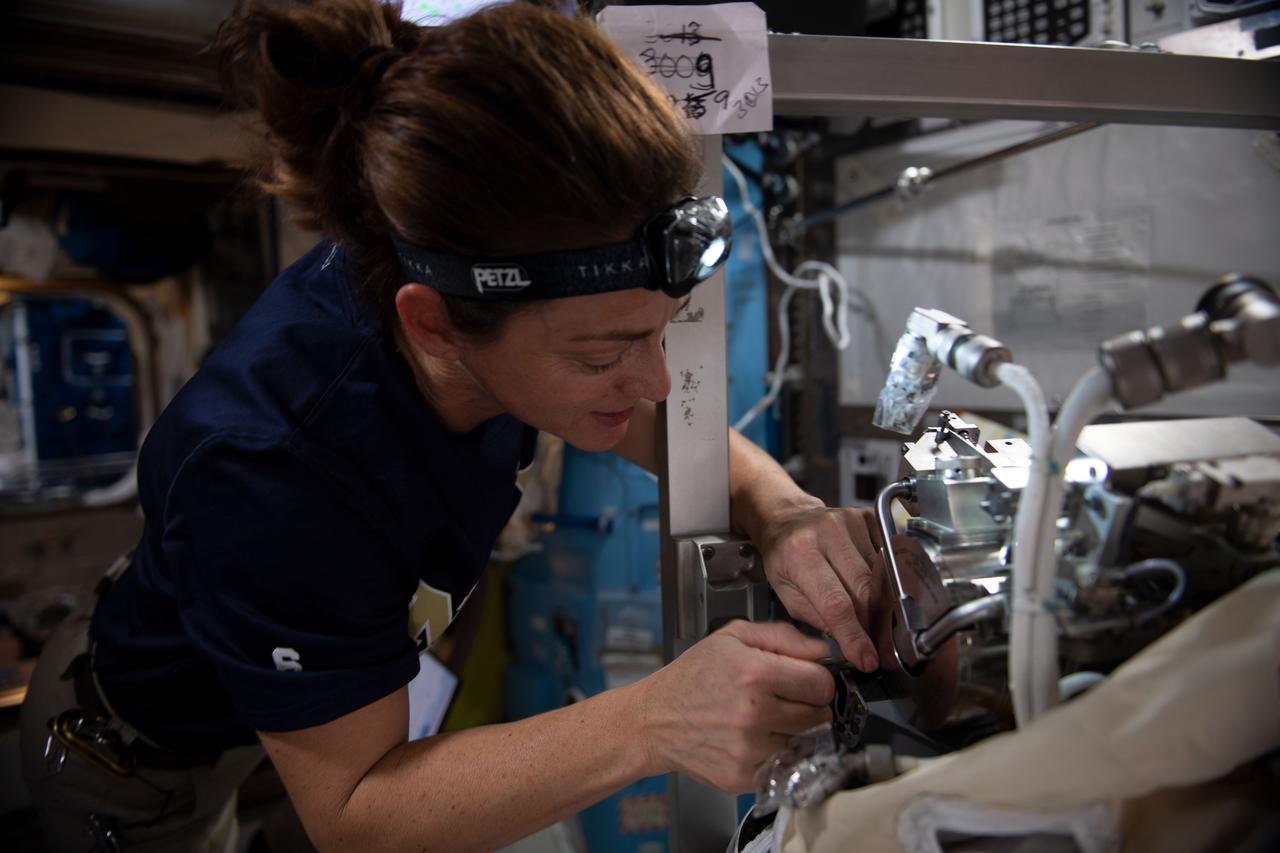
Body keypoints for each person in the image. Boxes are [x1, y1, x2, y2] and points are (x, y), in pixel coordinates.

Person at [19, 2, 887, 850]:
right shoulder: (273, 471)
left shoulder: (465, 276)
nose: (657, 381)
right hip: (154, 756)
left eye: (662, 331)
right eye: (602, 356)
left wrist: (779, 509)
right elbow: (356, 812)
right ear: (433, 325)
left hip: (334, 696)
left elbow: (650, 418)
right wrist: (658, 719)